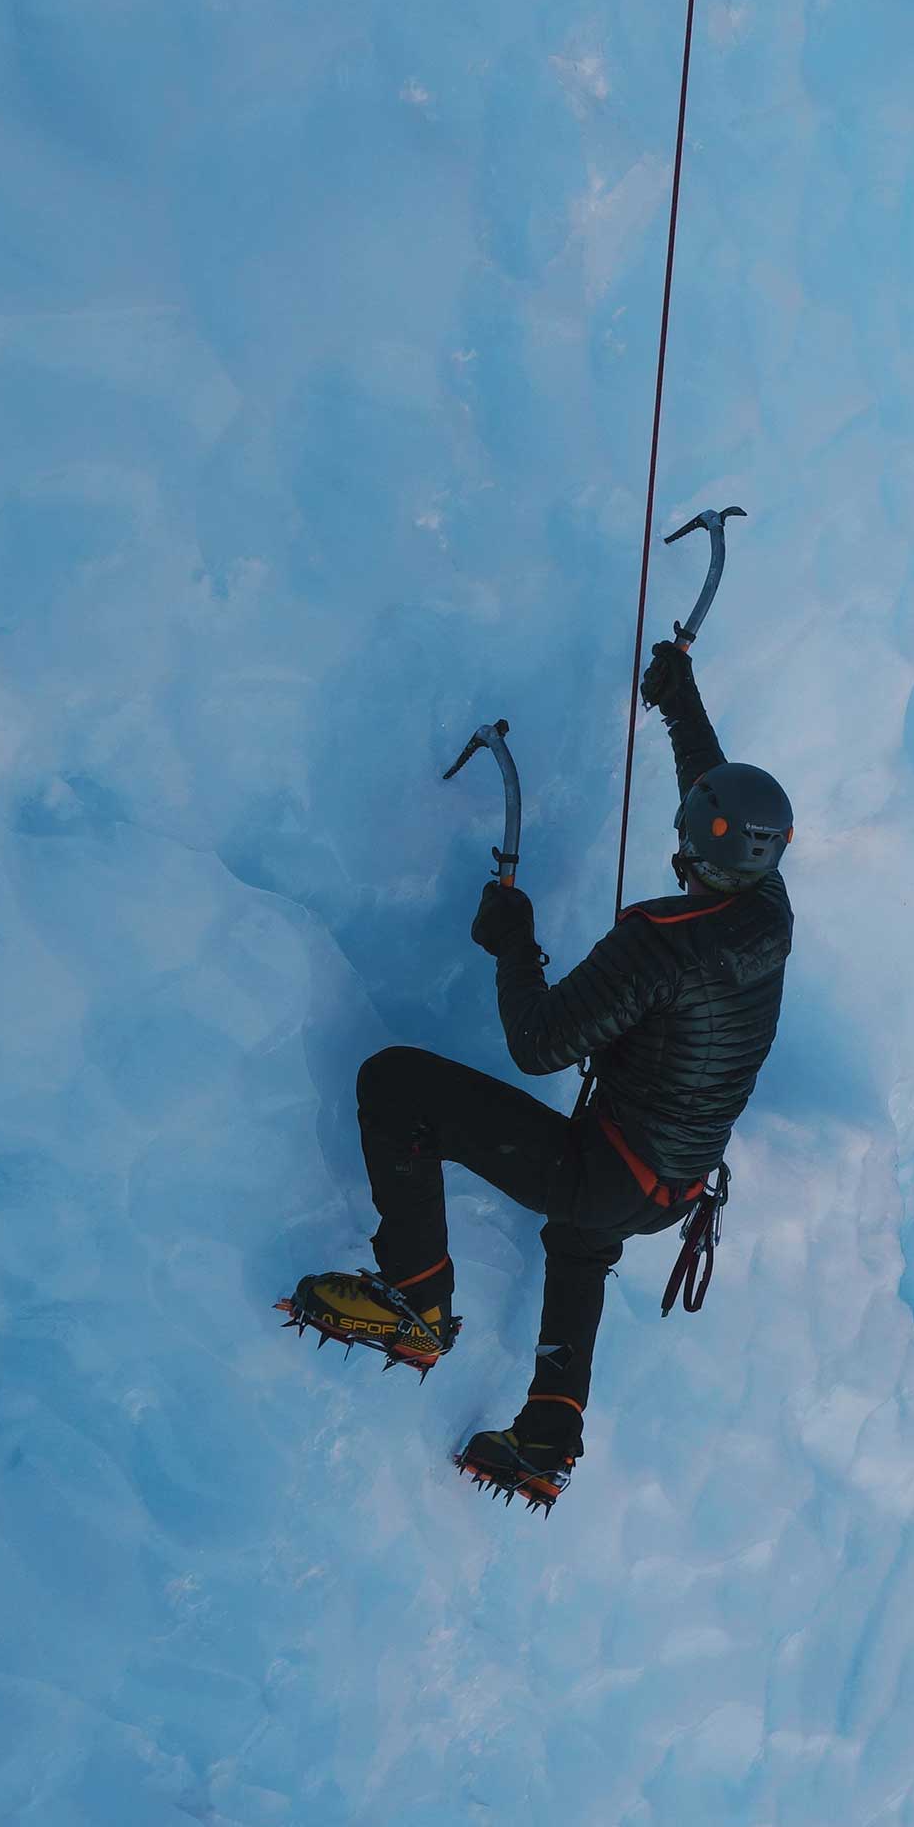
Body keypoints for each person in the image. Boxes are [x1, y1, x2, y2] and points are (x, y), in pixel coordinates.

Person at [283, 642, 793, 1509]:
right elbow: (715, 796)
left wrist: (512, 939)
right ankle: (546, 1439)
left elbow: (540, 1041)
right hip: (670, 1186)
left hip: (606, 1169)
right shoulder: (768, 907)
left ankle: (415, 1300)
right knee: (580, 1241)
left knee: (397, 1085)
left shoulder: (657, 944)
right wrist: (681, 701)